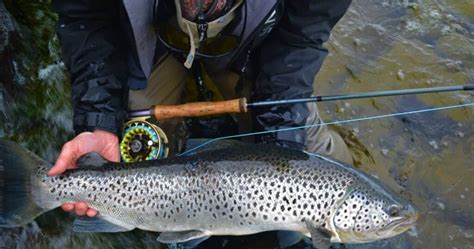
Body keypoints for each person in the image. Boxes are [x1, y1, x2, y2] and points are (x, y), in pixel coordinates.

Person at [48, 0, 352, 217]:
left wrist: (280, 152)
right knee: (127, 150)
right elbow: (87, 20)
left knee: (331, 169)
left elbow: (298, 42)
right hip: (151, 41)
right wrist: (98, 120)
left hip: (252, 52)